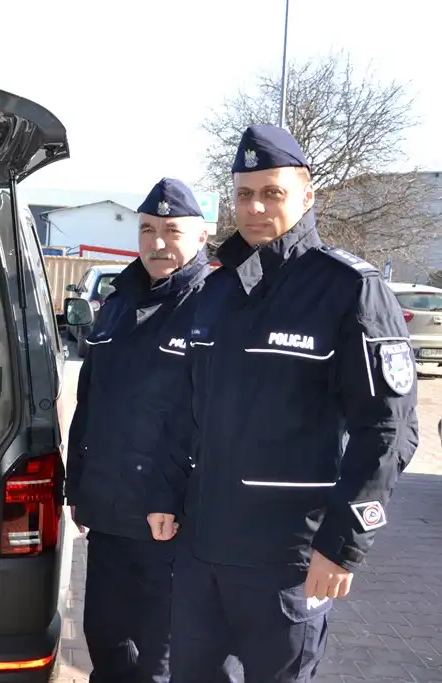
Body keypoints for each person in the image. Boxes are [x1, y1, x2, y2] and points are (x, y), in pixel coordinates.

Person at [147, 124, 419, 682]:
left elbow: (389, 429)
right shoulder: (216, 291)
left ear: (306, 194)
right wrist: (163, 494)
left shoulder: (348, 289)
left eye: (272, 192)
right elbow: (184, 410)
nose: (255, 207)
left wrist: (344, 543)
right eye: (244, 194)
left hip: (288, 557)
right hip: (203, 550)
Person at [67, 178, 237, 683]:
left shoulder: (217, 305)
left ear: (201, 236)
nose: (157, 242)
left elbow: (217, 420)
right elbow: (90, 403)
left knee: (163, 657)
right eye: (147, 229)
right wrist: (78, 485)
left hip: (174, 523)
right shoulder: (119, 301)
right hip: (110, 515)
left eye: (172, 230)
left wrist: (175, 497)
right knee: (106, 641)